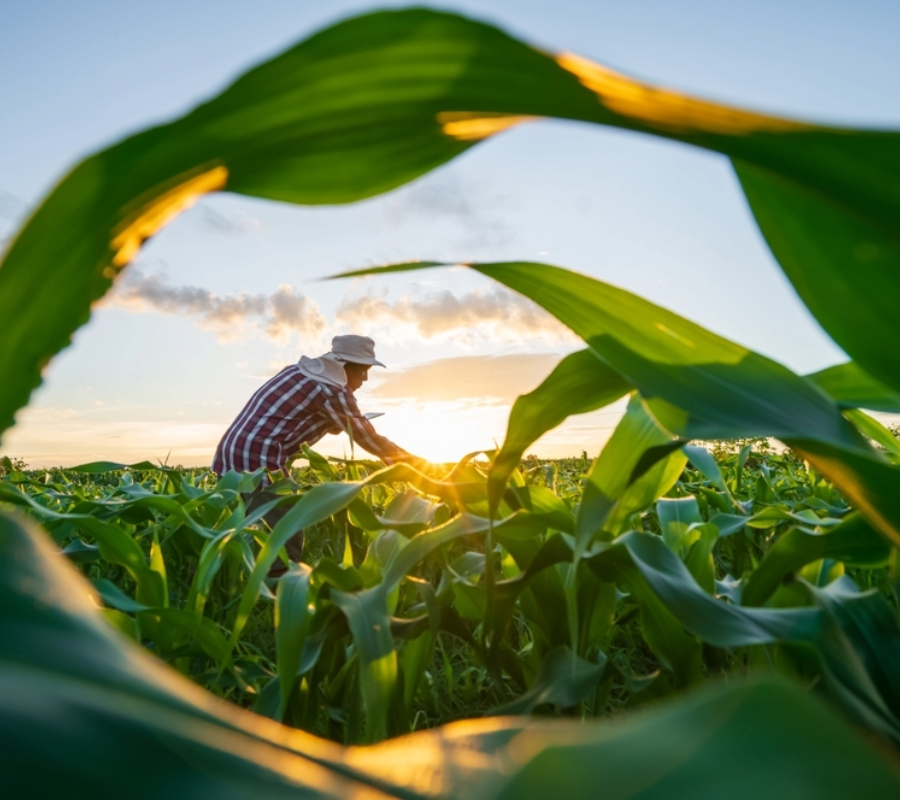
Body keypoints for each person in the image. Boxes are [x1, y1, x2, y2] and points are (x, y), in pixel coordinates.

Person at [212, 335, 421, 571]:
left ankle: (238, 579)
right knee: (287, 526)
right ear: (344, 366)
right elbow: (369, 439)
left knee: (247, 526)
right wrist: (415, 466)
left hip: (232, 453)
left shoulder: (299, 373)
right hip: (258, 459)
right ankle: (280, 592)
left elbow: (292, 417)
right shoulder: (333, 390)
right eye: (362, 370)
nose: (365, 378)